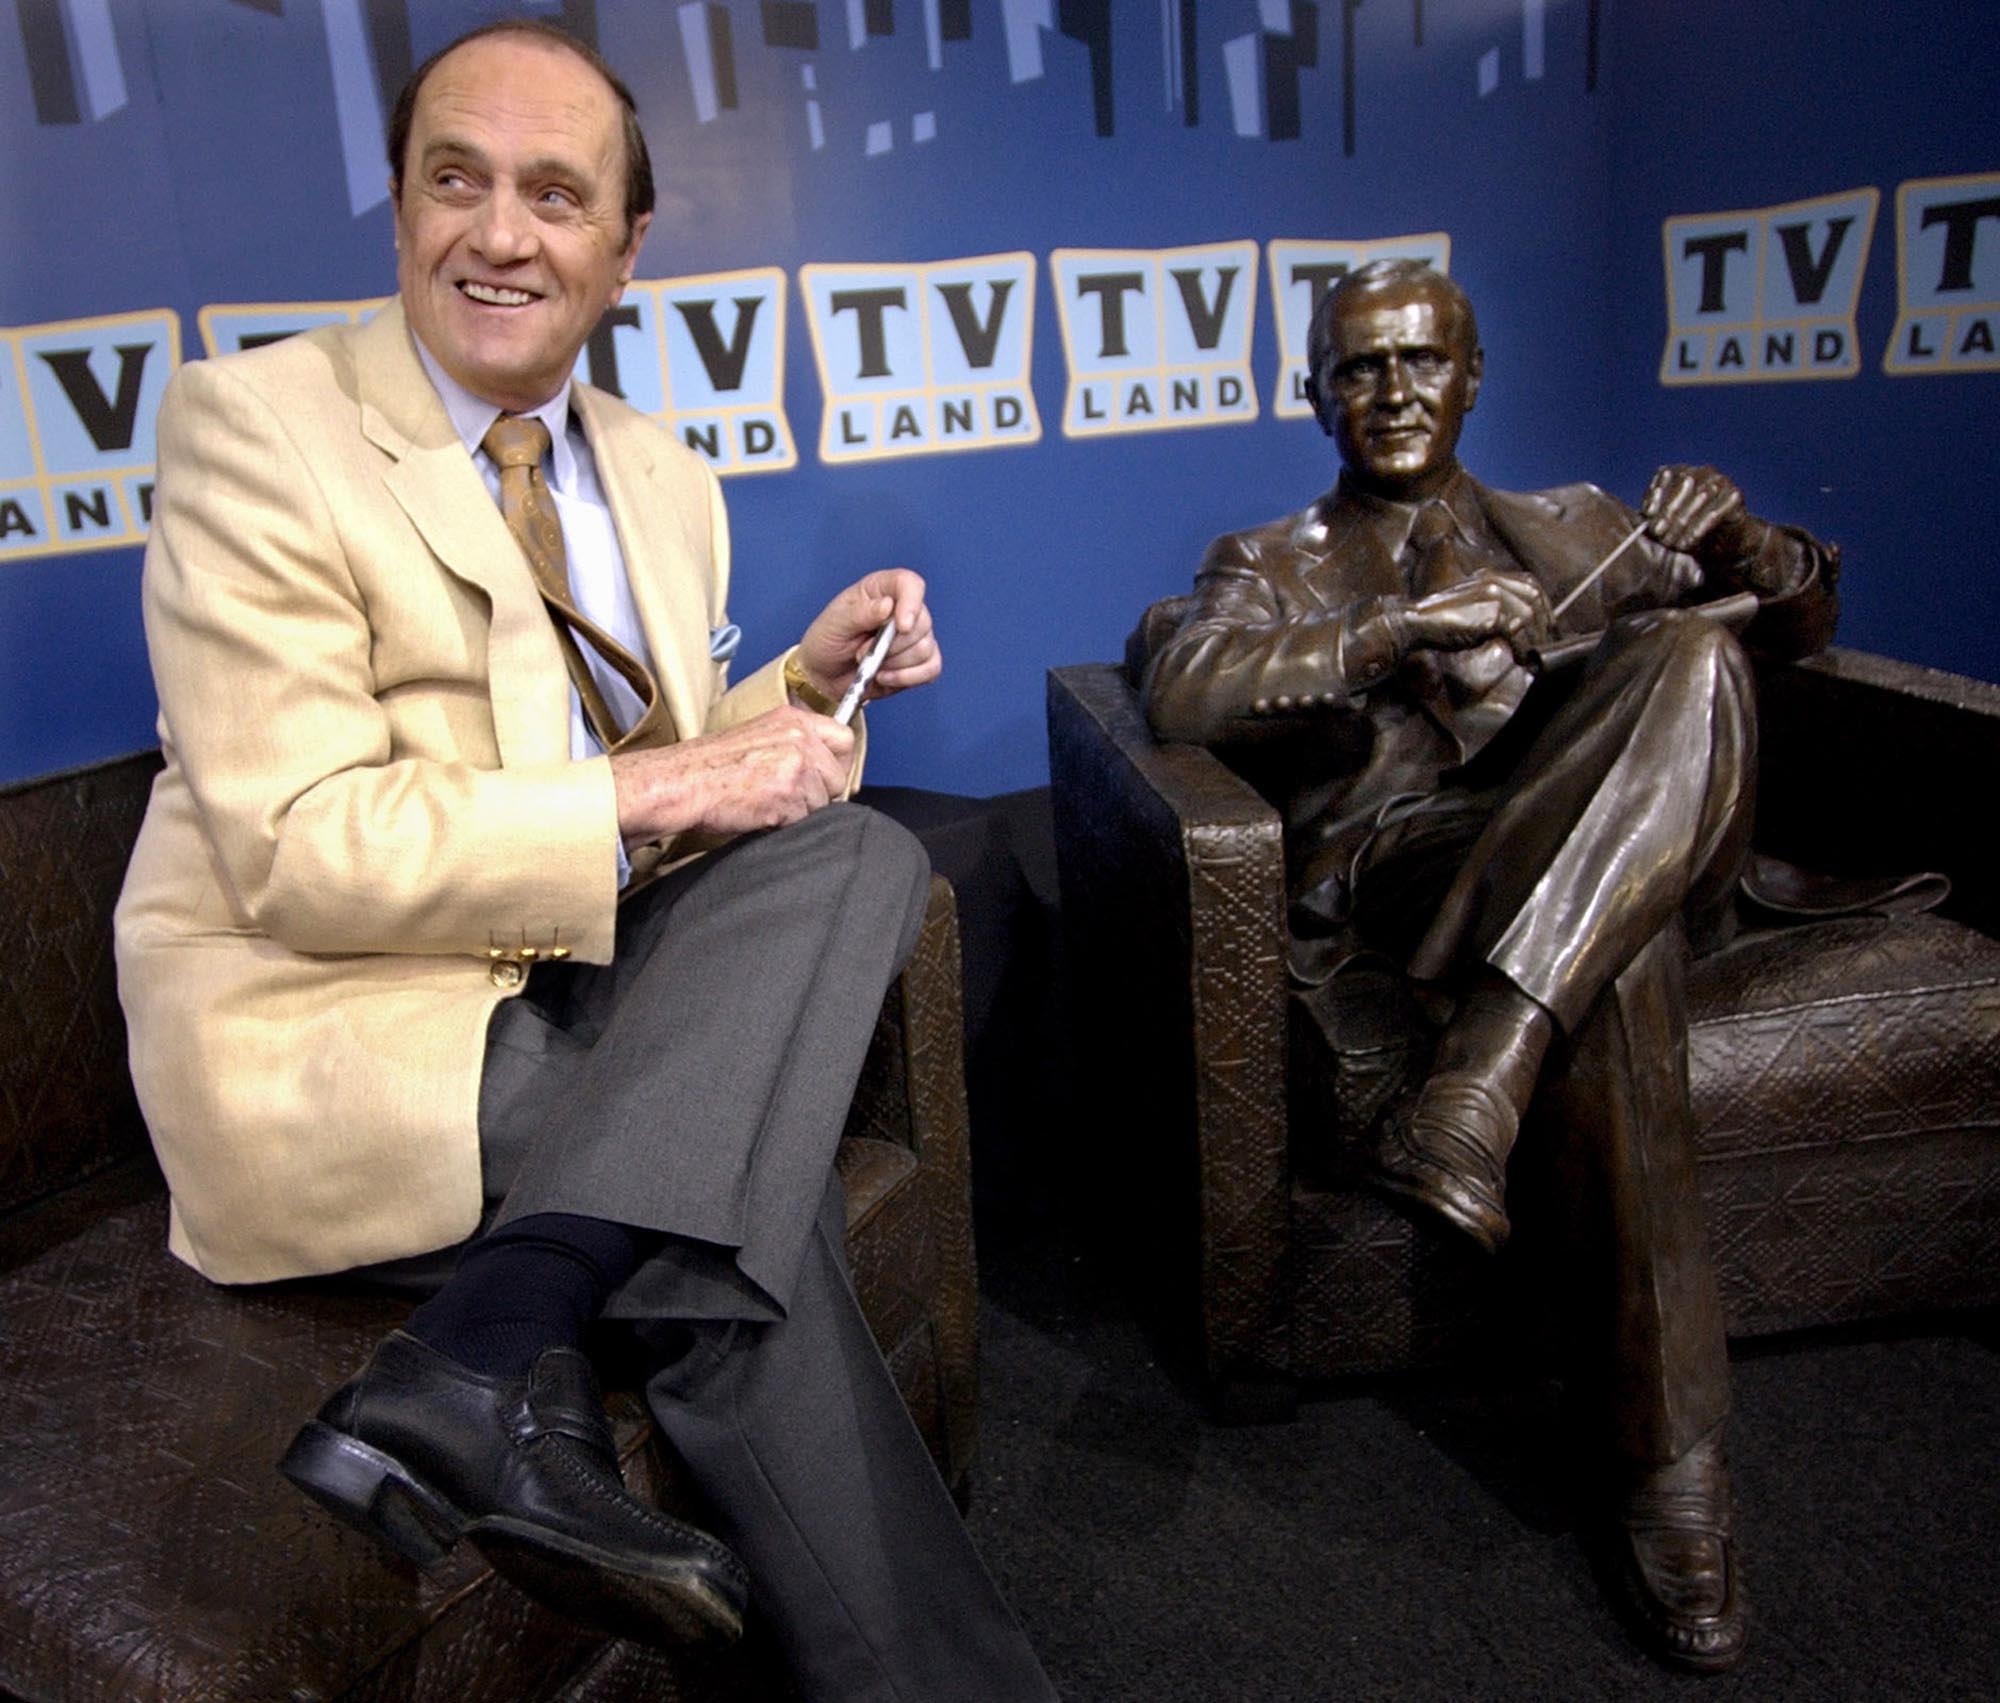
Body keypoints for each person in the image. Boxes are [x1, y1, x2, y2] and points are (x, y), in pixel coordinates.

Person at [113, 21, 1055, 1700]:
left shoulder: (659, 472)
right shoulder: (252, 427)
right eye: (455, 180)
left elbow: (635, 778)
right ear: (398, 206)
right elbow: (299, 849)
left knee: (856, 852)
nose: (500, 235)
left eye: (557, 196)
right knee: (731, 1244)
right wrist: (698, 774)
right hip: (344, 1030)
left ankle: (479, 1351)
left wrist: (798, 691)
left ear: (627, 250)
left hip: (589, 987)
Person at [1143, 259, 1838, 1672]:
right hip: (1435, 868)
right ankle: (1670, 1461)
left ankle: (1482, 1074)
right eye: (1358, 369)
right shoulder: (1266, 558)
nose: (1391, 391)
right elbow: (1181, 684)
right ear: (1316, 397)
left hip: (1633, 834)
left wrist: (1752, 545)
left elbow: (1809, 622)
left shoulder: (1581, 523)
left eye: (1419, 362)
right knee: (1619, 959)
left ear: (1471, 375)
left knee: (1700, 666)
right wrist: (1396, 632)